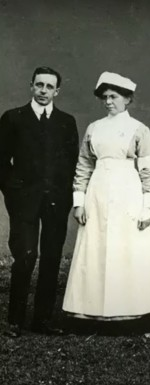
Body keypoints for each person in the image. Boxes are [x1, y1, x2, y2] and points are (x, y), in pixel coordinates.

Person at [62, 72, 150, 324]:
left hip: (128, 191)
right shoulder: (94, 128)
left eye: (114, 97)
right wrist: (79, 202)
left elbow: (149, 170)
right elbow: (83, 166)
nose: (108, 102)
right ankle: (89, 309)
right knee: (97, 246)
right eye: (105, 97)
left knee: (127, 247)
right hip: (98, 191)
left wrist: (147, 206)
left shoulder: (138, 129)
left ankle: (131, 308)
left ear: (127, 99)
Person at [0, 66, 78, 337]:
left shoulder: (66, 122)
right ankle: (15, 320)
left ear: (57, 91)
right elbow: (1, 162)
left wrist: (65, 196)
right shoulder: (13, 118)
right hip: (24, 201)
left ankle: (43, 320)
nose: (44, 91)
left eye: (49, 86)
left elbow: (72, 164)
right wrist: (13, 192)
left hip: (57, 201)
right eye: (39, 85)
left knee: (51, 257)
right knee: (25, 256)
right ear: (31, 86)